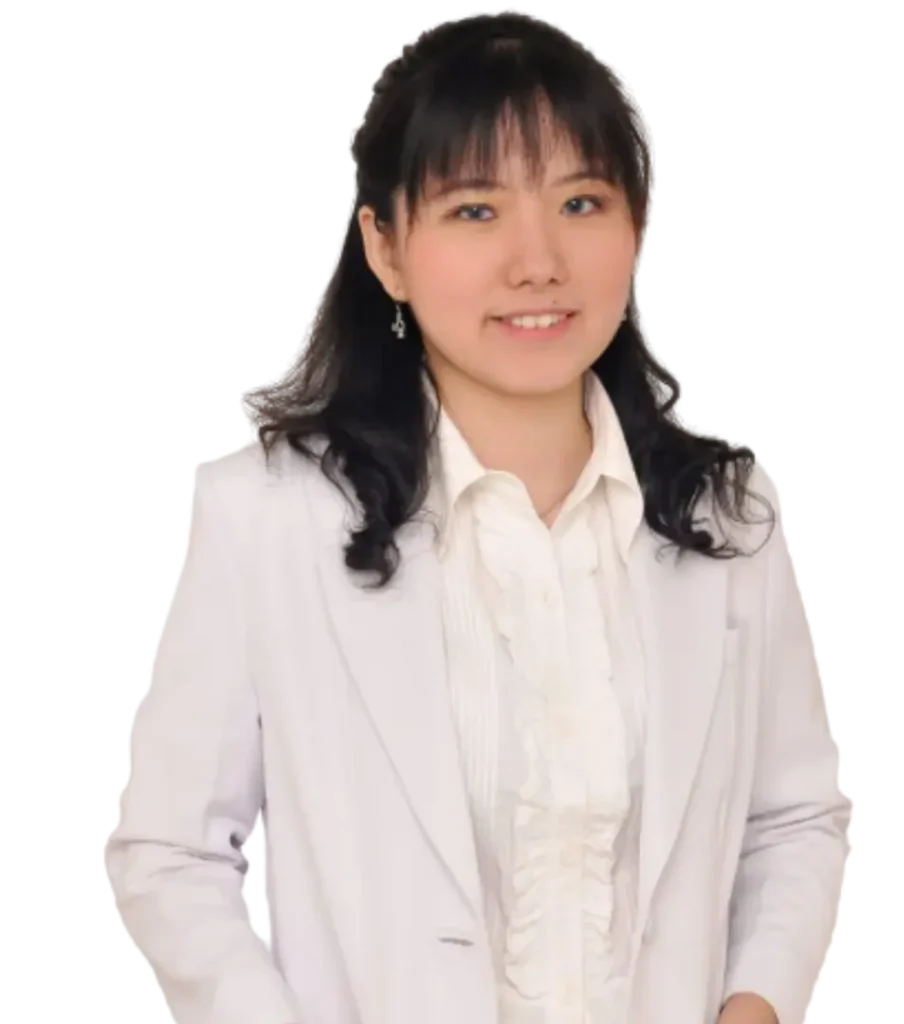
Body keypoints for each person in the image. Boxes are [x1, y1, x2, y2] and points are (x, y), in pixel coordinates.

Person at [102, 10, 852, 1024]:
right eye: (474, 210)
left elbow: (795, 818)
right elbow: (171, 853)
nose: (537, 261)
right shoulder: (268, 514)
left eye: (580, 201)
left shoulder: (728, 513)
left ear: (635, 225)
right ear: (386, 248)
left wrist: (753, 1007)